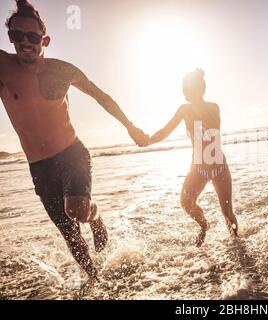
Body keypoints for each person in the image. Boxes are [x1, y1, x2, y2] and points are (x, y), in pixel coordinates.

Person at [0, 0, 148, 279]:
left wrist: (130, 126)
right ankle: (96, 282)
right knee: (71, 237)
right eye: (16, 35)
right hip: (39, 167)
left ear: (45, 40)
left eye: (32, 36)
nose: (24, 42)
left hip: (71, 153)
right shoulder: (3, 67)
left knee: (78, 210)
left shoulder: (62, 70)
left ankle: (95, 215)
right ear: (10, 38)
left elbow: (99, 95)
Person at [143, 69, 238, 246]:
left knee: (227, 212)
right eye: (184, 90)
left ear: (197, 89)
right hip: (199, 168)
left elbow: (208, 128)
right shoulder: (184, 110)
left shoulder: (213, 107)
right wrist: (148, 140)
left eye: (187, 89)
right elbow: (166, 131)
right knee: (186, 203)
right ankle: (204, 225)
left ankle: (237, 243)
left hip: (219, 167)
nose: (185, 93)